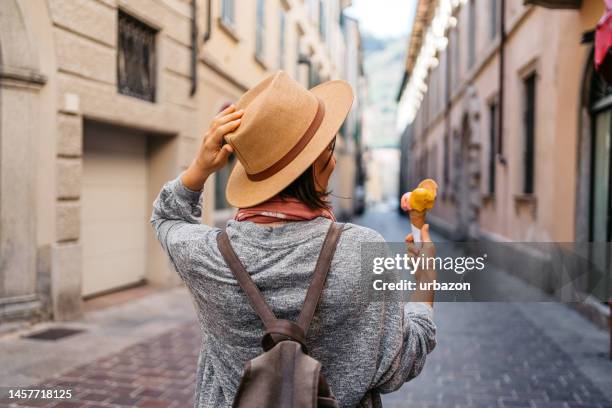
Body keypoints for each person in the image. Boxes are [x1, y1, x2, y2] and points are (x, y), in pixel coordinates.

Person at [151, 71, 436, 408]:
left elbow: (167, 217)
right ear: (320, 164)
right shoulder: (362, 252)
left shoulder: (204, 254)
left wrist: (199, 168)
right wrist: (425, 282)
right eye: (328, 147)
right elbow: (403, 363)